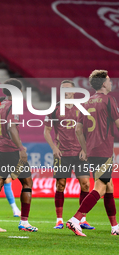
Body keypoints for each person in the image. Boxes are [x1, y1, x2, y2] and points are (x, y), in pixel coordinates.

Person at [67, 70, 119, 236]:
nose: (111, 83)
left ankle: (115, 227)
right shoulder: (109, 100)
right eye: (109, 80)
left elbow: (78, 129)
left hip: (93, 150)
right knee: (101, 187)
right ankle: (75, 220)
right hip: (104, 149)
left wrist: (85, 148)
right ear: (103, 83)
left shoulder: (86, 102)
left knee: (109, 185)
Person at [0, 78, 38, 232]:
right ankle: (24, 222)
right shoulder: (14, 106)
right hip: (11, 150)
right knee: (27, 183)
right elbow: (11, 128)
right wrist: (21, 148)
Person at [44, 80, 94, 230]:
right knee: (60, 185)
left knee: (85, 184)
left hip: (80, 153)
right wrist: (53, 147)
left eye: (69, 89)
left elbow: (89, 131)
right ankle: (59, 220)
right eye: (63, 90)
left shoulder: (82, 108)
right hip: (62, 153)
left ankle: (82, 218)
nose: (67, 92)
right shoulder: (55, 108)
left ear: (74, 91)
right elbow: (46, 131)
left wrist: (85, 149)